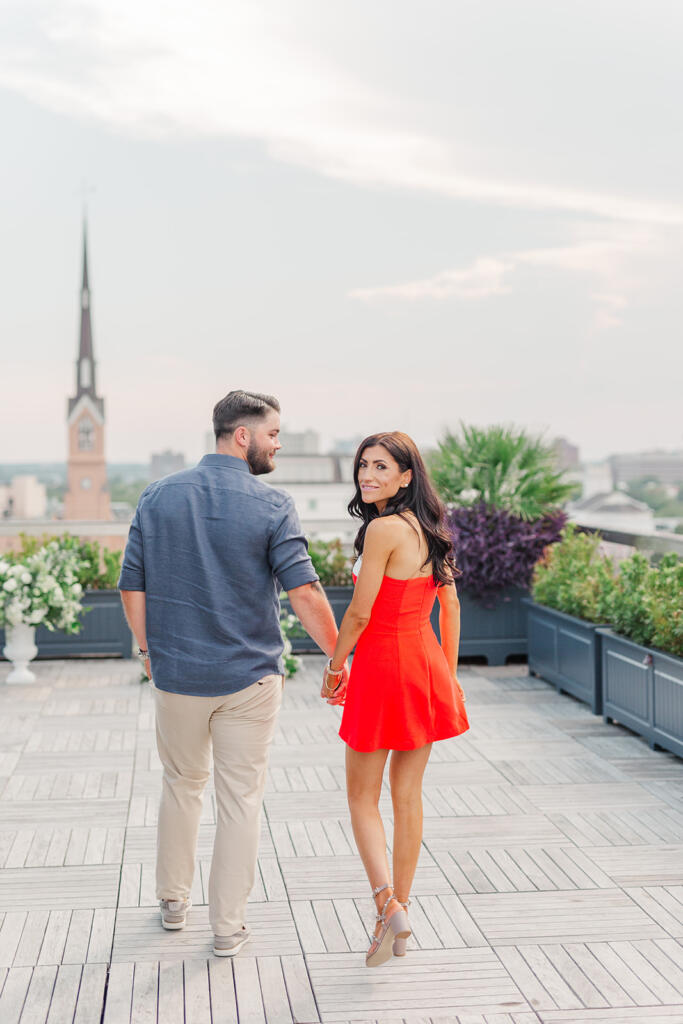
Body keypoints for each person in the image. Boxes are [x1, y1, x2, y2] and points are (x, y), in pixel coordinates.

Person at [118, 390, 346, 957]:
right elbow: (305, 592)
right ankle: (227, 926)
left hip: (176, 677)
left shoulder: (158, 496)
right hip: (248, 679)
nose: (278, 444)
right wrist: (342, 660)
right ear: (242, 436)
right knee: (240, 798)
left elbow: (131, 585)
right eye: (273, 434)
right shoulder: (272, 504)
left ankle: (173, 902)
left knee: (180, 784)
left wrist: (149, 654)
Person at [320, 431, 469, 967]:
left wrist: (335, 667)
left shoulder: (382, 529)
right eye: (363, 465)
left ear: (406, 476)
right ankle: (399, 911)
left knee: (362, 796)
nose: (368, 475)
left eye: (381, 467)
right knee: (408, 796)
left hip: (383, 666)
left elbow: (359, 614)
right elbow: (449, 605)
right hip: (424, 664)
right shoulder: (429, 529)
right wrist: (446, 677)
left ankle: (387, 907)